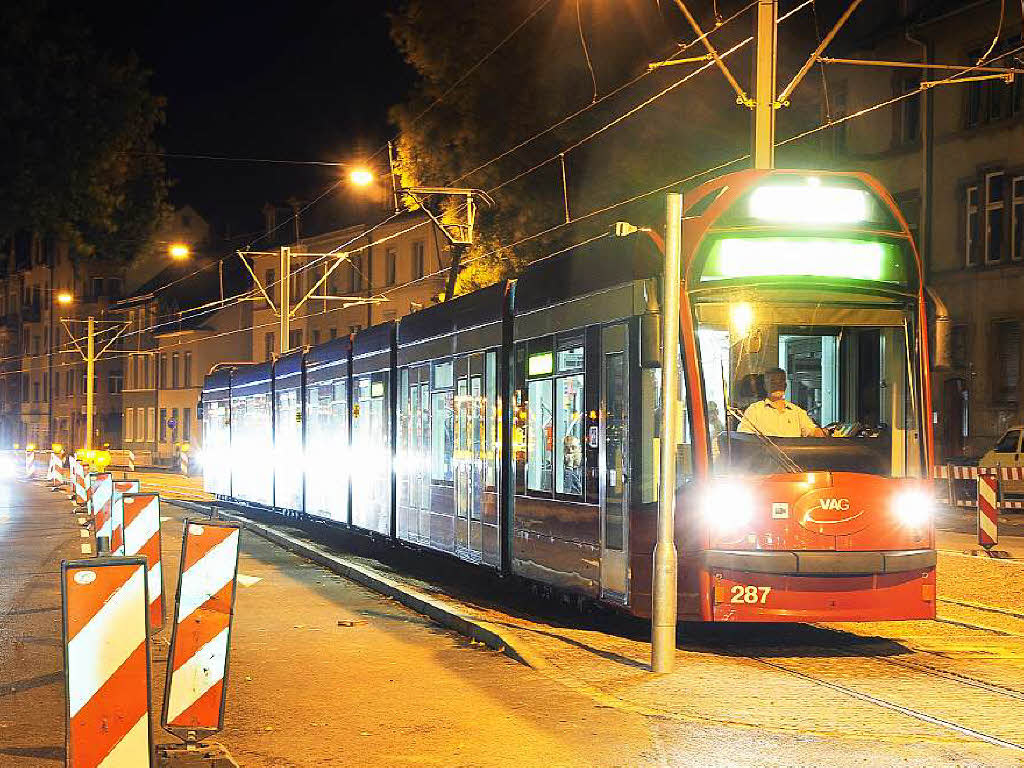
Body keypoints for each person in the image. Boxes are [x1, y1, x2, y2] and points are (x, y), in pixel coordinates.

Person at [738, 367, 828, 438]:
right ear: (765, 386)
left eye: (780, 382)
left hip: (793, 459)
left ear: (785, 386)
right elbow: (744, 438)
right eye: (773, 382)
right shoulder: (754, 411)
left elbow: (812, 431)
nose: (777, 385)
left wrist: (828, 431)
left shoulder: (797, 412)